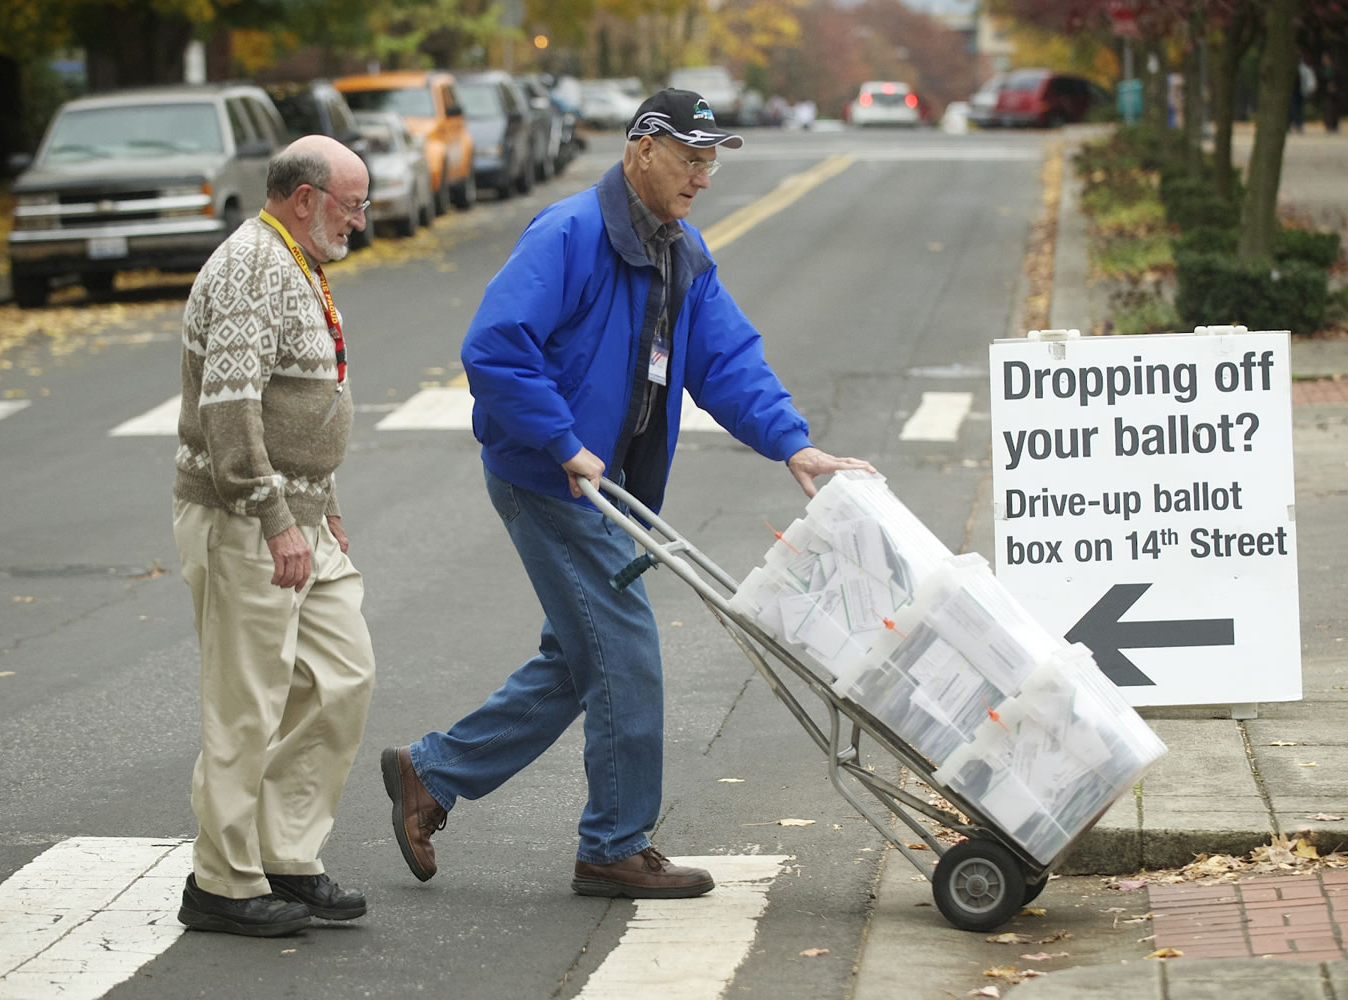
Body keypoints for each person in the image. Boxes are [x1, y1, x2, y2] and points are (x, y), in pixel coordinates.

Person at [381, 89, 874, 899]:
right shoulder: (570, 234)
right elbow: (496, 349)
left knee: (581, 660)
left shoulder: (681, 250)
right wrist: (561, 441)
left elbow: (727, 361)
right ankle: (612, 843)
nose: (702, 176)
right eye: (689, 158)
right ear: (642, 148)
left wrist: (794, 443)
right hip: (549, 478)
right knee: (627, 654)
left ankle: (430, 773)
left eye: (711, 161)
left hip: (605, 485)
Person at [173, 134, 377, 936]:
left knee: (341, 677)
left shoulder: (298, 261)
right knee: (245, 703)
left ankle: (285, 855)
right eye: (351, 205)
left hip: (297, 516)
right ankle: (221, 882)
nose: (359, 220)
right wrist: (274, 518)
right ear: (304, 199)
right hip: (245, 521)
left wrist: (321, 505)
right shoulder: (252, 266)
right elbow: (231, 410)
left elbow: (298, 401)